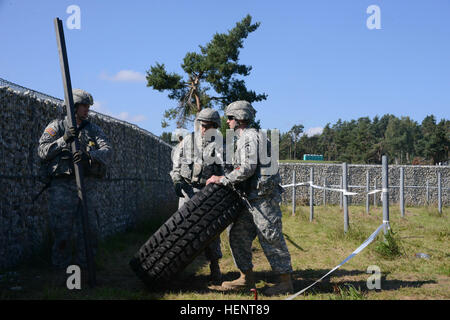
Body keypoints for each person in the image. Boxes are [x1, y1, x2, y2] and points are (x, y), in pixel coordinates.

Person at [206, 100, 294, 295]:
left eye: (229, 118)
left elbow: (247, 168)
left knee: (270, 237)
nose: (227, 122)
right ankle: (246, 278)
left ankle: (285, 281)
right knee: (237, 235)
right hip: (252, 200)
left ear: (239, 118)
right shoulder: (244, 138)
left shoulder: (250, 137)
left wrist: (222, 179)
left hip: (263, 199)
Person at [37, 89, 112, 271]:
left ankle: (86, 268)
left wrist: (89, 155)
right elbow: (42, 151)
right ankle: (60, 269)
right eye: (84, 106)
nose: (87, 110)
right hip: (62, 186)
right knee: (61, 230)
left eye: (88, 107)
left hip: (87, 184)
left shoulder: (93, 129)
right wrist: (64, 140)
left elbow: (107, 150)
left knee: (90, 228)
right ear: (74, 107)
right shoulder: (57, 127)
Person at [169, 108, 224, 284]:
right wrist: (177, 180)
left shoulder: (221, 145)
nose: (203, 129)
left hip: (208, 193)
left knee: (210, 232)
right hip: (187, 191)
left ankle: (215, 267)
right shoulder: (187, 141)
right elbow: (176, 164)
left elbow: (225, 171)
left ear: (215, 126)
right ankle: (178, 269)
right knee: (181, 231)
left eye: (207, 126)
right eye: (202, 125)